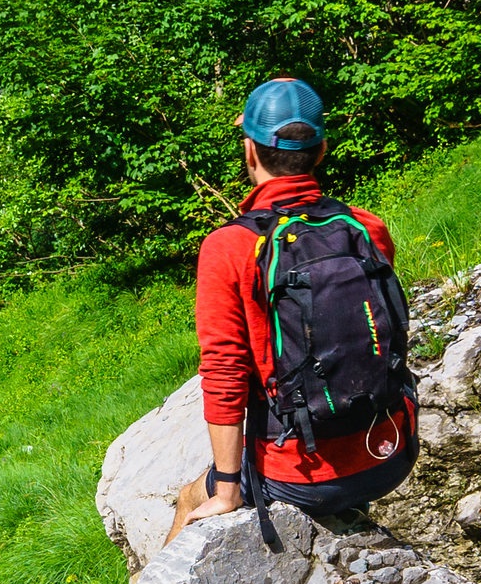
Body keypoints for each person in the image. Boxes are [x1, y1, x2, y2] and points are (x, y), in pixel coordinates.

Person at [165, 76, 417, 539]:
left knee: (187, 498)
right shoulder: (365, 228)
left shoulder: (230, 247)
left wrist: (225, 489)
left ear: (250, 152)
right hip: (393, 453)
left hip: (300, 476)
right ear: (320, 153)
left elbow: (225, 369)